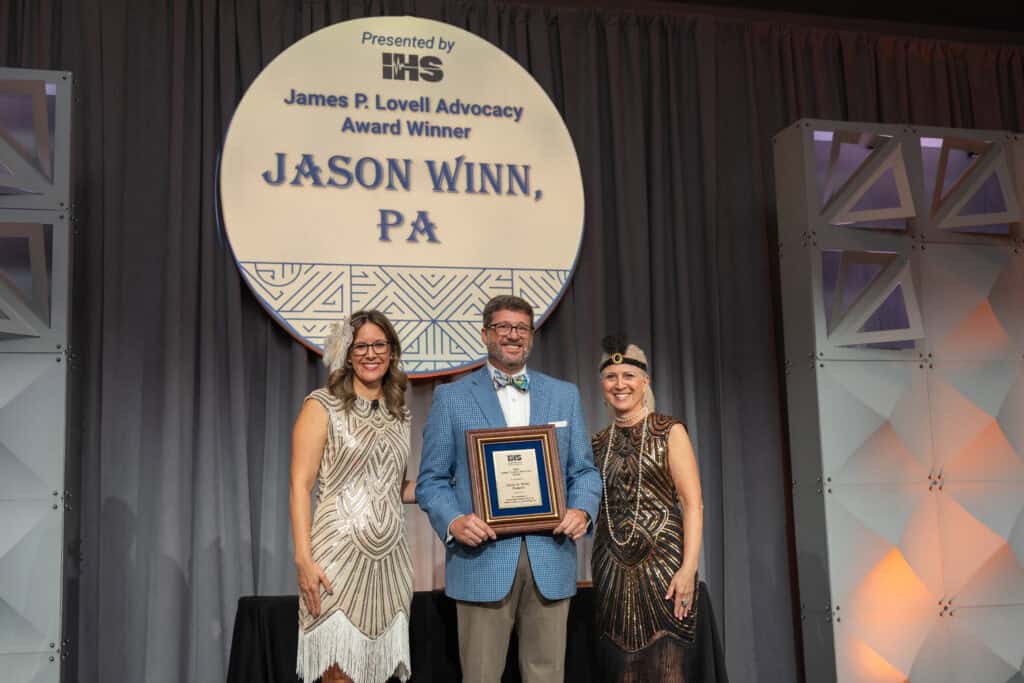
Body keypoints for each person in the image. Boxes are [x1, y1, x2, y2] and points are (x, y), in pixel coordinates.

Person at [416, 294, 602, 682]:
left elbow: (584, 471)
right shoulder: (451, 398)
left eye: (521, 328)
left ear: (531, 336)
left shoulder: (564, 395)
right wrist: (453, 522)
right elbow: (431, 480)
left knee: (547, 676)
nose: (513, 335)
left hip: (550, 558)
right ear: (486, 334)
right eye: (503, 327)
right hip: (481, 559)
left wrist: (582, 509)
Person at [289, 310, 416, 683]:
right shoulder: (321, 404)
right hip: (335, 565)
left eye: (379, 344)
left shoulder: (400, 413)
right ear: (347, 353)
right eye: (361, 346)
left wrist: (456, 486)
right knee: (338, 675)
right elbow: (300, 485)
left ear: (392, 352)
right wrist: (303, 559)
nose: (371, 353)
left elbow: (395, 488)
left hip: (392, 566)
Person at [591, 336, 706, 682]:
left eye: (628, 375)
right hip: (610, 567)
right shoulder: (598, 443)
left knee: (667, 666)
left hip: (665, 567)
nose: (620, 384)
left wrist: (689, 570)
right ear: (602, 385)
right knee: (623, 670)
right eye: (611, 377)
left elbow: (693, 504)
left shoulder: (669, 431)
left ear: (645, 382)